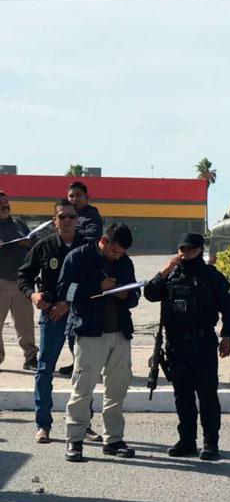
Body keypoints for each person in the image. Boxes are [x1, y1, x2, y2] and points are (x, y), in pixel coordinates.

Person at [144, 233, 230, 461]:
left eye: (190, 250)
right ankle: (187, 440)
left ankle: (210, 443)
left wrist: (227, 336)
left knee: (207, 395)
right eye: (182, 250)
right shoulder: (172, 274)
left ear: (199, 250)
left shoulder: (211, 276)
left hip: (202, 343)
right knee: (182, 396)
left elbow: (229, 307)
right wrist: (166, 269)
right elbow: (150, 293)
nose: (185, 254)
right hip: (176, 345)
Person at [58, 223, 139, 462]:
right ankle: (75, 440)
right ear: (103, 241)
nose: (117, 256)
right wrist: (97, 287)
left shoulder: (125, 262)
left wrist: (127, 295)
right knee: (82, 390)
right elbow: (64, 292)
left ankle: (113, 440)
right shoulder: (78, 257)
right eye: (114, 251)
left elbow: (135, 295)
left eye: (121, 253)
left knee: (117, 389)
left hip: (120, 333)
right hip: (90, 333)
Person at [17, 200, 89, 443]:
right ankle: (43, 424)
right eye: (62, 217)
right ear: (54, 221)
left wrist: (67, 303)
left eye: (71, 217)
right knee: (45, 368)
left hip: (79, 314)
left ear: (77, 220)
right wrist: (33, 295)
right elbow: (24, 276)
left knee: (84, 370)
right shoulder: (44, 246)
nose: (67, 221)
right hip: (51, 314)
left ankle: (84, 423)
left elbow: (92, 281)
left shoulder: (86, 247)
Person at [60, 181, 104, 380]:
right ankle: (76, 361)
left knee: (77, 322)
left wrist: (71, 232)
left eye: (78, 195)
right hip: (67, 274)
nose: (74, 199)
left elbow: (93, 236)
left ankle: (87, 364)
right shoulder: (66, 215)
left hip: (84, 277)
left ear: (87, 197)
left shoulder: (91, 216)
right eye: (71, 195)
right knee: (69, 326)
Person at [0, 191, 39, 370]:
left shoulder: (19, 224)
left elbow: (35, 242)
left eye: (6, 201)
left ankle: (30, 358)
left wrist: (29, 242)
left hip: (21, 282)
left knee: (25, 323)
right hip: (1, 280)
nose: (5, 205)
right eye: (1, 203)